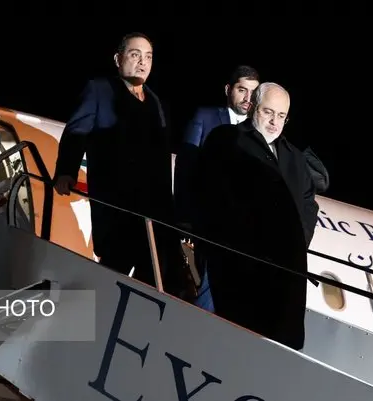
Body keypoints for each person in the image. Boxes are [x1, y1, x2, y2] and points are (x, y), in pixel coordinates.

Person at [53, 32, 185, 293]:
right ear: (118, 59)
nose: (143, 62)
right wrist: (66, 171)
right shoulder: (99, 90)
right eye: (135, 55)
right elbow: (77, 132)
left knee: (153, 284)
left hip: (153, 213)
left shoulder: (157, 102)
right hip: (116, 207)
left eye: (148, 57)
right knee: (111, 275)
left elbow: (161, 161)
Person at [193, 82, 319, 350]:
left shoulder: (296, 160)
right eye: (268, 112)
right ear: (252, 108)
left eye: (281, 116)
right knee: (219, 343)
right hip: (238, 266)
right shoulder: (227, 140)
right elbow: (214, 194)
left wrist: (294, 246)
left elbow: (308, 208)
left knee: (270, 351)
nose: (274, 122)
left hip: (282, 275)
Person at [174, 66, 260, 313]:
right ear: (228, 89)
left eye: (253, 93)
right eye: (242, 90)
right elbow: (185, 167)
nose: (248, 98)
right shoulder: (206, 117)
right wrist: (184, 217)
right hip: (202, 225)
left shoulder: (258, 131)